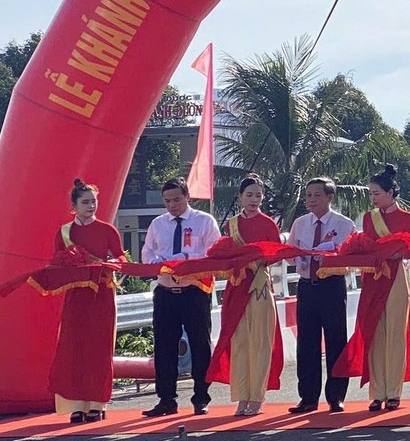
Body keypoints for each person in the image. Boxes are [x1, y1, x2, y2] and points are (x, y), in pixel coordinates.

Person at [141, 178, 220, 417]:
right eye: (167, 201)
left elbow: (213, 253)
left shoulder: (204, 221)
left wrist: (186, 262)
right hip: (165, 292)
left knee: (199, 345)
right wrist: (163, 266)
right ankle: (166, 399)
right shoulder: (158, 224)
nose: (172, 205)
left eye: (176, 199)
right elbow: (147, 254)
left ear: (187, 196)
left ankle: (201, 397)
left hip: (194, 291)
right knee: (164, 346)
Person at [48, 178, 124, 423]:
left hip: (101, 294)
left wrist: (109, 265)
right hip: (76, 297)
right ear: (74, 205)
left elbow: (121, 258)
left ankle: (97, 403)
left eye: (94, 201)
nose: (91, 206)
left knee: (98, 348)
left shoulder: (107, 230)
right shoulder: (64, 232)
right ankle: (76, 404)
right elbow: (57, 262)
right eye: (85, 202)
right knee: (74, 347)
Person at [209, 175, 283, 416]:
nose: (254, 200)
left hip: (259, 286)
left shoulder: (268, 223)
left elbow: (277, 253)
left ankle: (256, 397)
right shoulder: (231, 224)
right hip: (237, 286)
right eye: (249, 195)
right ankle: (241, 397)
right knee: (239, 343)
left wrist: (260, 259)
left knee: (260, 342)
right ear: (240, 197)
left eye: (258, 195)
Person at [353, 164, 410, 412]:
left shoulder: (406, 218)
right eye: (371, 194)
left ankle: (393, 391)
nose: (373, 198)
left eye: (377, 193)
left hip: (395, 276)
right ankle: (377, 392)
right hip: (373, 277)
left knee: (394, 334)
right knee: (375, 332)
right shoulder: (369, 218)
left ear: (391, 192)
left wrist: (394, 250)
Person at [288, 177, 355, 414]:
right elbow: (289, 255)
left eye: (317, 195)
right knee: (306, 343)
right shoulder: (300, 223)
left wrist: (328, 254)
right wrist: (300, 255)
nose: (311, 200)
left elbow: (349, 256)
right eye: (308, 195)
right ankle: (308, 397)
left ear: (329, 197)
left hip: (332, 285)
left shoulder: (344, 224)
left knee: (336, 340)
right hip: (307, 285)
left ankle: (336, 395)